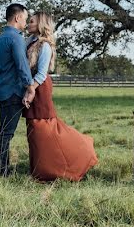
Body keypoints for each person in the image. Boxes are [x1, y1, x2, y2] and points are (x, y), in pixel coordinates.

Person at [23, 11, 98, 181]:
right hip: (31, 87)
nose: (28, 23)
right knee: (34, 129)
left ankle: (75, 157)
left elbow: (42, 73)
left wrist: (30, 89)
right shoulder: (30, 41)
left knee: (43, 128)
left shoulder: (45, 46)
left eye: (32, 21)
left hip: (39, 88)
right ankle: (38, 169)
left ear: (41, 24)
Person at [0, 3, 36, 177]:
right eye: (25, 19)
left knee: (3, 131)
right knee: (6, 133)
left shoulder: (1, 37)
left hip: (2, 89)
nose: (25, 23)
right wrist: (30, 87)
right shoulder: (16, 38)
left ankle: (0, 167)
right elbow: (22, 65)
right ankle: (2, 172)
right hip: (12, 91)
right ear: (17, 18)